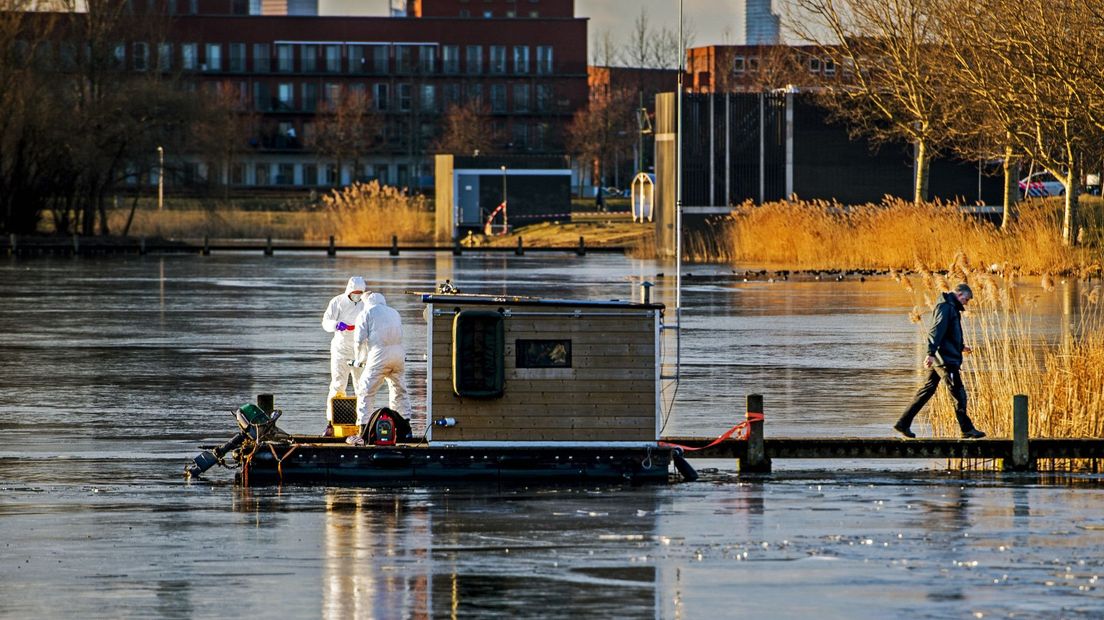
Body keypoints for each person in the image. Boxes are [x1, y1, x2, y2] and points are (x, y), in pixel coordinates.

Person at [894, 282, 986, 439]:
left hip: (943, 357)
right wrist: (930, 353)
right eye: (967, 299)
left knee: (927, 390)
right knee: (958, 394)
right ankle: (966, 429)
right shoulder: (946, 307)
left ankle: (903, 423)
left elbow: (948, 333)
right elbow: (936, 331)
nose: (967, 303)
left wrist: (961, 346)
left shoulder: (950, 307)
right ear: (959, 295)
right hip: (944, 360)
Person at [348, 292, 412, 444]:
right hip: (398, 355)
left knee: (366, 391)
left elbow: (359, 340)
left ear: (367, 301)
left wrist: (359, 360)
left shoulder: (367, 312)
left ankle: (364, 432)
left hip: (379, 355)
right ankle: (405, 430)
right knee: (399, 391)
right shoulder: (394, 312)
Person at [321, 276, 366, 420]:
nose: (357, 295)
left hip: (359, 352)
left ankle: (361, 421)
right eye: (355, 292)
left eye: (360, 292)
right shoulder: (337, 302)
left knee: (362, 386)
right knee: (338, 385)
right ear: (349, 291)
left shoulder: (365, 304)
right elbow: (325, 322)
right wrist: (336, 325)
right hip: (341, 350)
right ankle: (331, 421)